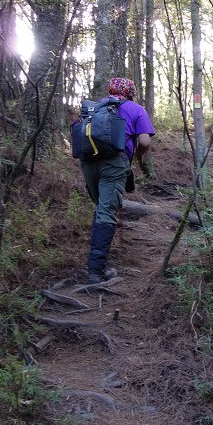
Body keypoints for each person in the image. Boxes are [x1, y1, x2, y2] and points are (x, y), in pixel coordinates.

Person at [82, 77, 155, 283]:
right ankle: (96, 272)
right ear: (131, 92)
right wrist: (139, 156)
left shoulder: (98, 107)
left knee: (101, 209)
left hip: (89, 162)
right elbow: (145, 141)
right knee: (106, 212)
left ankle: (96, 263)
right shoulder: (136, 109)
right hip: (114, 164)